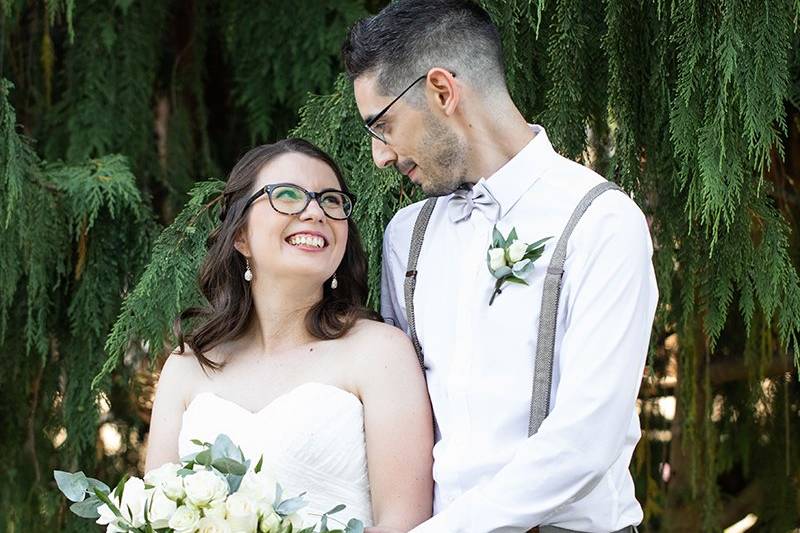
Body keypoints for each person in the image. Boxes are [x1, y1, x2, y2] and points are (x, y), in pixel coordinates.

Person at [342, 1, 659, 532]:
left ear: (442, 91)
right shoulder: (406, 237)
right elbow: (399, 413)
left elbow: (587, 439)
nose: (380, 155)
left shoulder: (601, 221)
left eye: (384, 125)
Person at [145, 138, 434, 529]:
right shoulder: (185, 369)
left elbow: (405, 524)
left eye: (331, 200)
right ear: (240, 235)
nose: (316, 212)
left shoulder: (379, 353)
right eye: (287, 195)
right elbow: (155, 518)